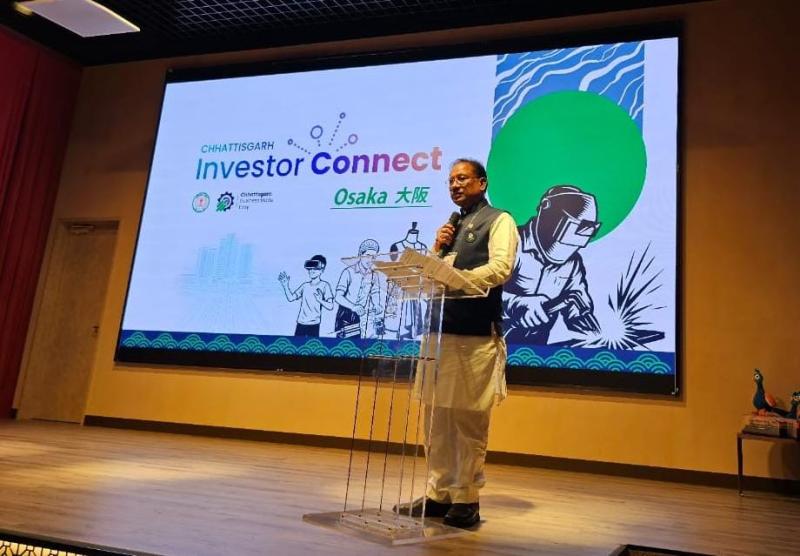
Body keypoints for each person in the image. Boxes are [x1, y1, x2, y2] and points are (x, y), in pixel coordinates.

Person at [398, 158, 518, 528]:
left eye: (462, 178)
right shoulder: (452, 226)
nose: (455, 185)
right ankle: (438, 494)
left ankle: (466, 498)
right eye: (450, 180)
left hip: (474, 337)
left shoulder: (499, 220)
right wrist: (436, 251)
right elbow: (432, 277)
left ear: (482, 182)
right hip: (438, 335)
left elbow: (501, 268)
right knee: (436, 420)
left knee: (467, 421)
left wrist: (458, 279)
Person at [503, 185, 601, 344]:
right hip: (491, 344)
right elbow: (479, 291)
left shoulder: (572, 262)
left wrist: (583, 321)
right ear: (545, 207)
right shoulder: (509, 243)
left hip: (535, 351)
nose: (567, 250)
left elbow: (577, 297)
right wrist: (516, 304)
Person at [334, 239, 385, 338]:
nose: (370, 260)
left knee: (357, 343)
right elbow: (338, 297)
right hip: (345, 314)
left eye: (374, 257)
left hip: (360, 315)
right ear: (360, 254)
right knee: (343, 344)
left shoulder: (374, 275)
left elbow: (374, 292)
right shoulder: (348, 272)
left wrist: (377, 304)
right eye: (368, 256)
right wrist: (353, 307)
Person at [278, 255, 334, 337]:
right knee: (297, 344)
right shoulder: (305, 286)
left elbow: (331, 306)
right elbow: (291, 298)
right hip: (301, 323)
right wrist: (285, 285)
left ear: (322, 270)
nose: (311, 271)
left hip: (314, 325)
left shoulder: (325, 285)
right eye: (310, 268)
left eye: (315, 268)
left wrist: (320, 300)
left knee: (312, 344)